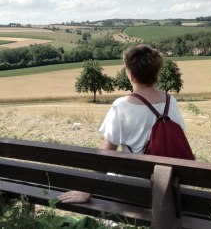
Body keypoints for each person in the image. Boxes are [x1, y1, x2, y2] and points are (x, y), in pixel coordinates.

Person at [57, 44, 186, 204]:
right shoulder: (170, 101)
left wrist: (86, 189)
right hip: (167, 187)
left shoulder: (122, 106)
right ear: (156, 73)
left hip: (134, 189)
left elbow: (107, 153)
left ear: (130, 75)